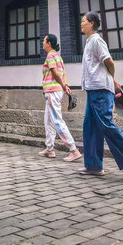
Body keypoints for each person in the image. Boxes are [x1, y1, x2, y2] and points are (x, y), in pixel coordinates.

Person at [78, 11, 123, 180]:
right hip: (93, 90)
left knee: (106, 125)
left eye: (84, 21)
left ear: (92, 23)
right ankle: (94, 165)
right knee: (90, 127)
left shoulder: (96, 40)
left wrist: (111, 79)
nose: (81, 23)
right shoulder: (89, 41)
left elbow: (108, 61)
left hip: (101, 89)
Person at [39, 34, 82, 162]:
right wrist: (65, 85)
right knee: (48, 120)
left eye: (44, 41)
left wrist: (63, 85)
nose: (43, 43)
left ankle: (73, 150)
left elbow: (55, 72)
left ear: (49, 43)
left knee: (57, 121)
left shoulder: (51, 56)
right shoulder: (58, 56)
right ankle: (49, 148)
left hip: (53, 91)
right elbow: (63, 74)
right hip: (55, 91)